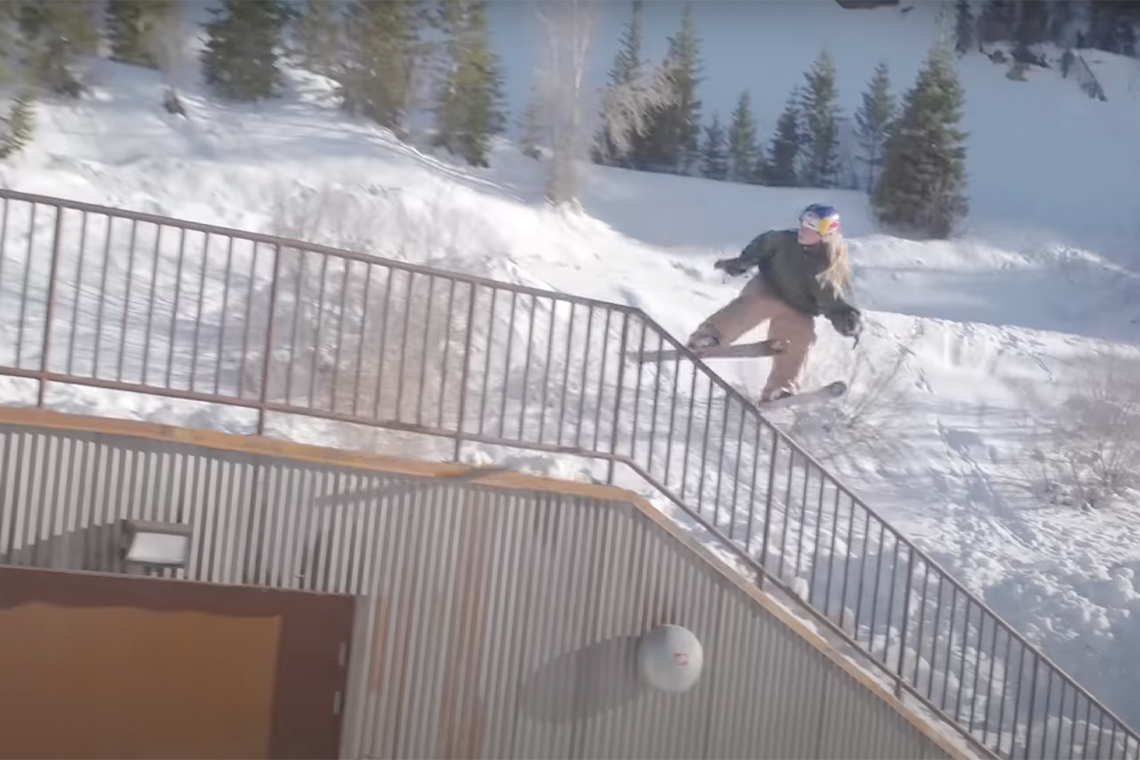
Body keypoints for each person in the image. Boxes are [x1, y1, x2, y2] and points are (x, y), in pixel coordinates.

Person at [685, 203, 863, 403]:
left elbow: (837, 303)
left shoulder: (830, 269)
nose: (804, 229)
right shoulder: (783, 241)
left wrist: (848, 321)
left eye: (813, 226)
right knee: (760, 303)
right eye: (804, 222)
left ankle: (781, 388)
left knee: (801, 335)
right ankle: (709, 336)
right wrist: (740, 263)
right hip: (768, 286)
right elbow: (761, 246)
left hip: (798, 307)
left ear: (827, 233)